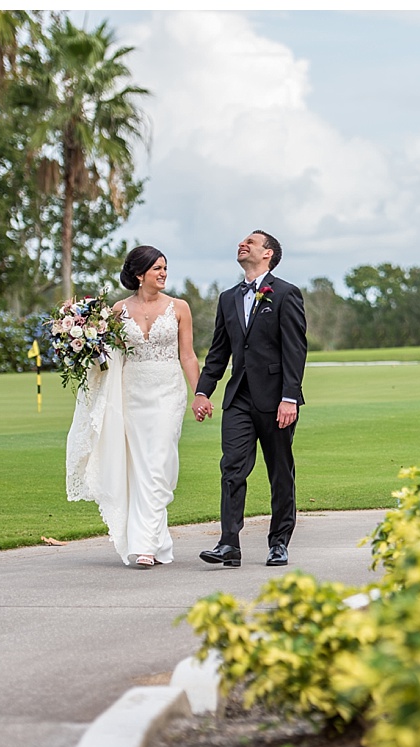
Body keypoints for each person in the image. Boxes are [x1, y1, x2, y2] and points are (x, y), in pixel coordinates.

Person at [65, 245, 201, 568]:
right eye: (157, 268)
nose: (163, 273)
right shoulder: (117, 311)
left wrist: (200, 394)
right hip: (131, 394)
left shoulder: (180, 308)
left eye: (165, 267)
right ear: (140, 275)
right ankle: (149, 544)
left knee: (159, 464)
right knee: (141, 467)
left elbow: (188, 356)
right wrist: (81, 346)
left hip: (168, 392)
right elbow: (106, 357)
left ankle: (148, 541)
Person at [193, 230, 307, 568]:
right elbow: (219, 351)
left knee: (279, 472)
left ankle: (279, 542)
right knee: (232, 468)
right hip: (238, 398)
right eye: (242, 242)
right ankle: (229, 543)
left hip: (276, 401)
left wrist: (290, 397)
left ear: (268, 254)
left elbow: (295, 350)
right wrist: (203, 390)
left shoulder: (286, 294)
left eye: (251, 242)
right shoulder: (228, 298)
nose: (243, 244)